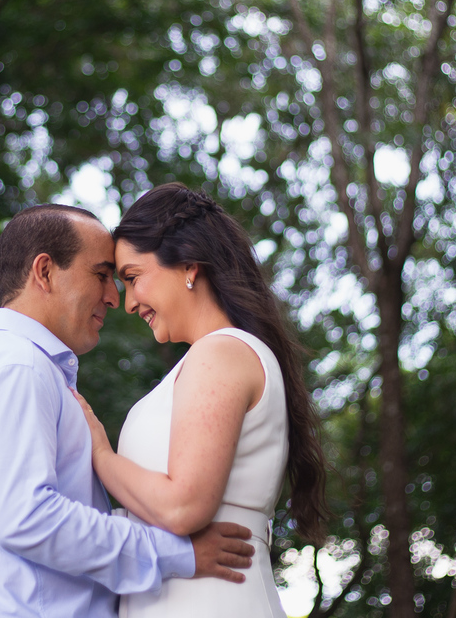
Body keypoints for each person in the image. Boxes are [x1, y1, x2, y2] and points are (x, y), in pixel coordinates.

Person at [0, 203, 257, 618]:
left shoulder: (25, 367)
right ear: (44, 272)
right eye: (102, 275)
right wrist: (175, 554)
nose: (114, 298)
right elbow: (26, 517)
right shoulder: (16, 366)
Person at [74, 183, 329, 617]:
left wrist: (100, 451)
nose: (128, 302)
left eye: (133, 278)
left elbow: (182, 506)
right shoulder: (210, 358)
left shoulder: (220, 353)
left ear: (189, 264)